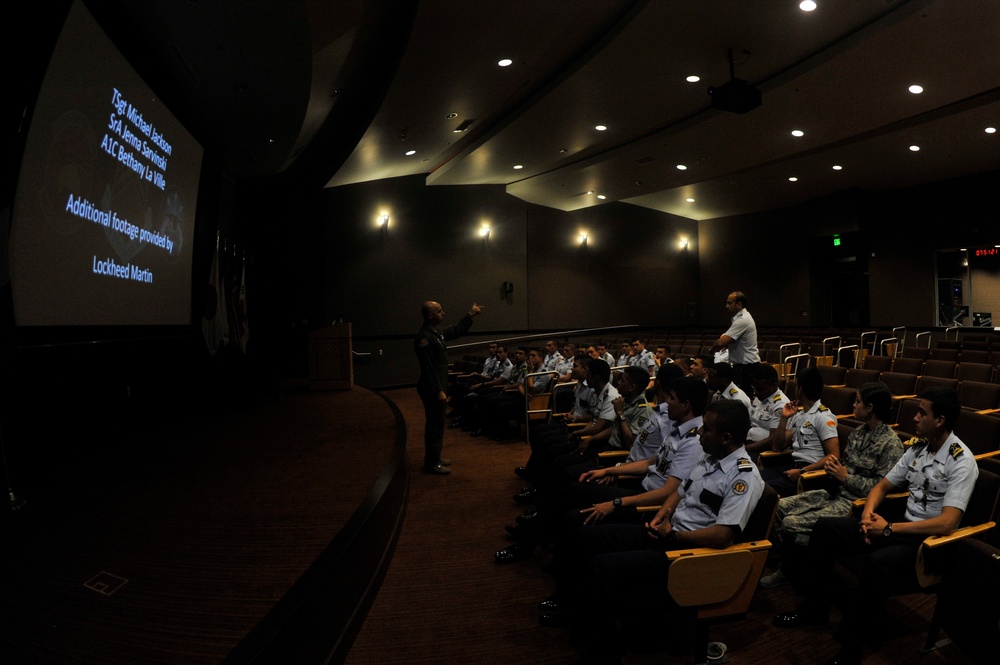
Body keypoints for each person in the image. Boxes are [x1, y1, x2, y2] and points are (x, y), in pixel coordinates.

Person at [543, 400, 764, 664]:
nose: (700, 433)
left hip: (687, 554)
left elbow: (722, 536)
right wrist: (664, 514)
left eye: (706, 429)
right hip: (667, 534)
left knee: (601, 568)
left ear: (726, 438)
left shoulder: (743, 477)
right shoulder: (709, 457)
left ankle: (605, 652)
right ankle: (575, 611)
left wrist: (674, 536)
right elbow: (678, 493)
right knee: (584, 537)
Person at [773, 387, 978, 665]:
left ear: (940, 420)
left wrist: (889, 529)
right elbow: (881, 486)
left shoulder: (961, 461)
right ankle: (814, 608)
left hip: (927, 545)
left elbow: (947, 522)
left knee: (879, 562)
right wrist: (869, 516)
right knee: (825, 528)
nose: (915, 417)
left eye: (922, 412)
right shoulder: (919, 448)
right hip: (898, 528)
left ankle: (850, 648)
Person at [759, 382, 904, 589]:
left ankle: (792, 570)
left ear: (870, 407)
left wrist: (845, 477)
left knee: (791, 523)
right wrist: (832, 468)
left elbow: (880, 487)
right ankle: (797, 563)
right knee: (779, 507)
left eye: (858, 401)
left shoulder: (891, 444)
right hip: (835, 492)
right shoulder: (858, 433)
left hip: (855, 504)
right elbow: (844, 465)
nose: (853, 405)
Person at [414, 300, 482, 474]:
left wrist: (470, 315)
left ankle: (435, 456)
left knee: (439, 423)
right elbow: (428, 368)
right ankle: (431, 462)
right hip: (432, 388)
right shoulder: (425, 338)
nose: (443, 313)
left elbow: (456, 330)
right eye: (439, 311)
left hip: (438, 387)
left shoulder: (436, 333)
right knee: (435, 425)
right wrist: (438, 390)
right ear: (430, 315)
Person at [761, 365, 839, 497]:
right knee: (752, 479)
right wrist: (784, 418)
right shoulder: (798, 415)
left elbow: (834, 456)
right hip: (791, 466)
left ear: (800, 390)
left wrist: (802, 471)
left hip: (810, 474)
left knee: (762, 489)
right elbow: (777, 447)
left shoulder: (823, 417)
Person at [709, 291, 760, 395]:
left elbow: (721, 343)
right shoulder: (739, 319)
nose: (726, 306)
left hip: (747, 368)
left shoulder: (743, 319)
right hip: (741, 366)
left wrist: (710, 352)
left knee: (744, 397)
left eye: (729, 303)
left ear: (739, 304)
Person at [744, 363, 790, 458]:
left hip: (763, 452)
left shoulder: (780, 405)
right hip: (748, 442)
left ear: (774, 385)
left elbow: (772, 440)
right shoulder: (760, 397)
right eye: (754, 388)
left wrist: (745, 448)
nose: (755, 393)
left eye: (760, 389)